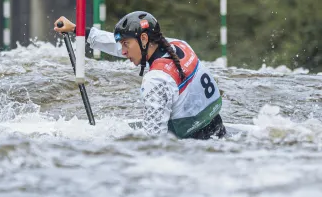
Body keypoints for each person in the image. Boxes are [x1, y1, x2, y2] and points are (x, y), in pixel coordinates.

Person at [55, 10, 226, 140]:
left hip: (194, 146)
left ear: (144, 39)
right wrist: (77, 30)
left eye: (126, 44)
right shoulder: (179, 45)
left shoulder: (157, 79)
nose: (123, 51)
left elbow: (154, 140)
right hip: (217, 129)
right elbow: (117, 45)